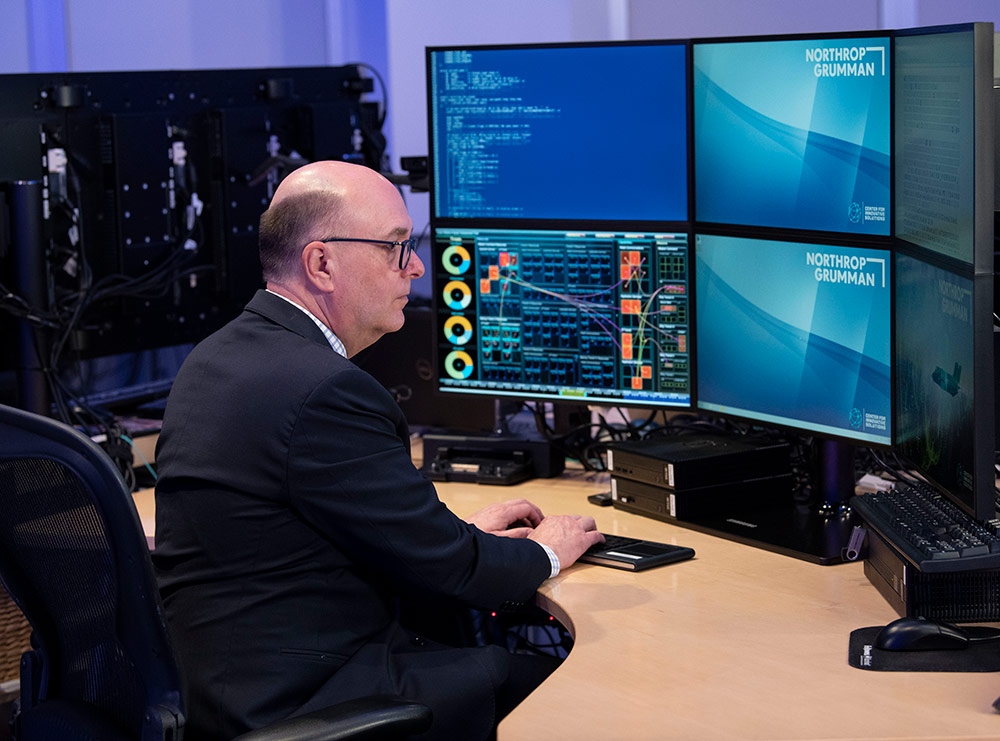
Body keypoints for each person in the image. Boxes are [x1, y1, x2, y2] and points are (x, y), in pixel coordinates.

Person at [152, 160, 604, 739]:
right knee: (573, 697)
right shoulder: (323, 390)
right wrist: (548, 551)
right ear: (321, 263)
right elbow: (456, 571)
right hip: (310, 703)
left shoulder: (218, 357)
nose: (415, 267)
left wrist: (452, 534)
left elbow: (341, 531)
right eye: (395, 248)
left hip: (235, 689)